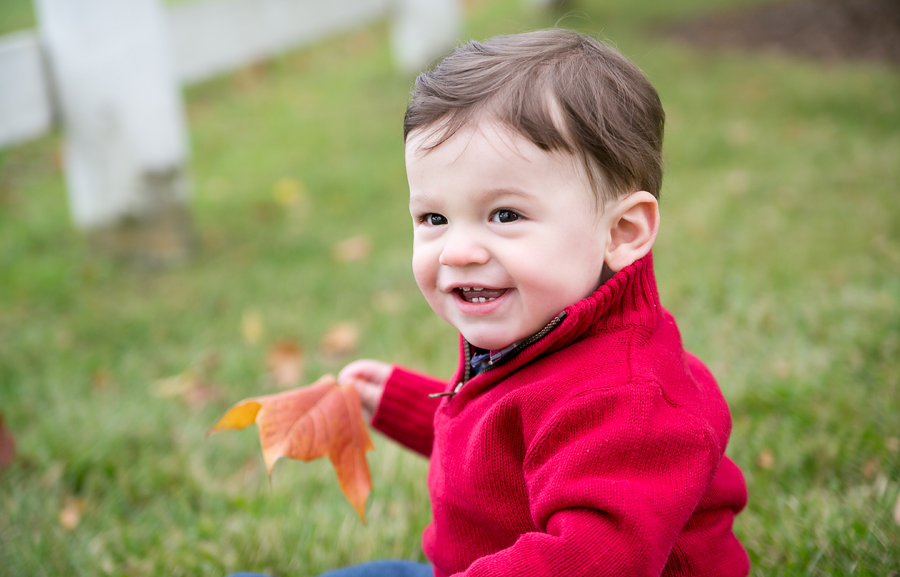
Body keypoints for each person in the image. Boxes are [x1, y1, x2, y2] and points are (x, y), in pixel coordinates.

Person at [235, 28, 749, 577]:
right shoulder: (542, 334)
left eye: (505, 215)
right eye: (434, 218)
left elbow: (591, 558)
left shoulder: (626, 400)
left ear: (621, 231)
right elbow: (507, 454)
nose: (457, 250)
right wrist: (403, 402)